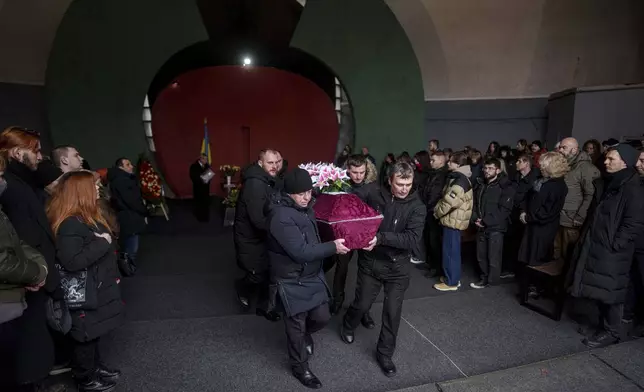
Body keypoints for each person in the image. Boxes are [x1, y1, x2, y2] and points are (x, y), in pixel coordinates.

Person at [340, 162, 426, 377]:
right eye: (400, 184)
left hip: (397, 267)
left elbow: (412, 239)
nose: (404, 188)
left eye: (408, 184)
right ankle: (348, 324)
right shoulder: (373, 194)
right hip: (371, 261)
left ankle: (384, 354)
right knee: (361, 304)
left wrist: (381, 238)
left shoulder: (418, 207)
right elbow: (356, 215)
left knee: (392, 313)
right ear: (390, 181)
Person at [266, 168, 349, 389]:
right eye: (300, 193)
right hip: (290, 280)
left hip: (310, 275)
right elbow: (300, 252)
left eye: (309, 192)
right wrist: (333, 247)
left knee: (321, 317)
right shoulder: (280, 216)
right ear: (289, 193)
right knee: (296, 325)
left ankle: (303, 337)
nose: (306, 197)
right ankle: (300, 367)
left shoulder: (305, 208)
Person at [0, 126, 66, 391]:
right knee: (28, 335)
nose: (40, 156)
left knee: (35, 333)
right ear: (17, 152)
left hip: (35, 270)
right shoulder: (12, 188)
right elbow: (15, 239)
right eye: (35, 151)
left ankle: (36, 380)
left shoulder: (23, 181)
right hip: (27, 277)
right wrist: (33, 272)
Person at [47, 171, 124, 391]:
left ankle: (95, 368)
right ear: (80, 192)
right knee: (85, 337)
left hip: (97, 288)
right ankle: (85, 379)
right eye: (94, 186)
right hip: (85, 293)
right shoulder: (70, 223)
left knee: (94, 332)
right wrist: (102, 243)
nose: (98, 188)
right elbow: (72, 261)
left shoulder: (87, 216)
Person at [570, 144, 644, 348]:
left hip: (612, 249)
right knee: (601, 289)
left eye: (611, 159)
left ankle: (612, 331)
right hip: (598, 243)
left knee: (612, 292)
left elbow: (633, 223)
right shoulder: (610, 182)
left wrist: (615, 244)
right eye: (606, 158)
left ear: (625, 162)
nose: (606, 162)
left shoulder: (632, 187)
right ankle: (601, 325)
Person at [323, 155, 376, 329]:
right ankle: (337, 300)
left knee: (366, 272)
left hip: (365, 233)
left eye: (362, 172)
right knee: (342, 267)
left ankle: (364, 310)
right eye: (355, 172)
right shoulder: (341, 185)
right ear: (348, 170)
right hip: (346, 232)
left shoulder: (372, 187)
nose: (358, 176)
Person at [234, 149, 282, 321]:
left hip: (263, 237)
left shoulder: (267, 179)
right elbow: (258, 220)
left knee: (270, 273)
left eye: (277, 162)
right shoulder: (255, 184)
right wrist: (282, 228)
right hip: (251, 238)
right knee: (256, 275)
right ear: (261, 163)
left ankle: (265, 308)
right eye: (270, 162)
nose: (275, 166)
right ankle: (241, 287)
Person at [470, 158, 515, 288]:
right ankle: (484, 279)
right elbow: (474, 204)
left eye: (490, 168)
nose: (487, 171)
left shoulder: (505, 186)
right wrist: (475, 219)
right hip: (480, 225)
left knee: (494, 258)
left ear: (498, 170)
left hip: (496, 227)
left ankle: (492, 284)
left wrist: (485, 221)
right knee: (481, 255)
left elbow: (504, 210)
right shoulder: (480, 184)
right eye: (485, 168)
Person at [517, 152, 569, 267]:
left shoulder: (558, 186)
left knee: (537, 261)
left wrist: (527, 217)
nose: (540, 167)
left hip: (542, 228)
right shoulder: (541, 180)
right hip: (532, 224)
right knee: (527, 258)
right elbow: (528, 197)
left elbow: (548, 212)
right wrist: (523, 211)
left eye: (543, 165)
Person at [433, 152, 473, 291]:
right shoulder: (457, 177)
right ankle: (451, 277)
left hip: (453, 221)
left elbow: (449, 202)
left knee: (451, 252)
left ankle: (452, 282)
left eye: (451, 162)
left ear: (458, 165)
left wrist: (436, 213)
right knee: (451, 251)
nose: (448, 163)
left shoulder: (460, 180)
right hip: (451, 220)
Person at [555, 138, 600, 262]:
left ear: (574, 149)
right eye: (560, 147)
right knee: (557, 254)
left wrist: (580, 216)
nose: (560, 150)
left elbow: (590, 195)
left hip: (572, 219)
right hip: (559, 216)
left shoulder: (586, 168)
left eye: (564, 147)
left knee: (568, 255)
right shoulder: (566, 164)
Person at [502, 154, 539, 278]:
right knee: (510, 243)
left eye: (519, 161)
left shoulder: (534, 179)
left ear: (526, 163)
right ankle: (510, 269)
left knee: (521, 244)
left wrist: (524, 210)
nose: (516, 163)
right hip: (512, 214)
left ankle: (520, 271)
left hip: (524, 215)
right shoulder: (516, 176)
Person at [108, 158, 147, 266]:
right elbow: (131, 200)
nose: (131, 166)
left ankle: (127, 265)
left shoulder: (120, 179)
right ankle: (128, 267)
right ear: (121, 167)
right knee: (131, 245)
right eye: (128, 164)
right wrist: (143, 210)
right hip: (129, 216)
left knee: (129, 242)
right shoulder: (122, 180)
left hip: (128, 215)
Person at [623, 148, 644, 336]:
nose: (638, 164)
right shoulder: (635, 183)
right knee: (630, 280)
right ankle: (627, 314)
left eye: (643, 161)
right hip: (634, 240)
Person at [420, 151, 449, 278]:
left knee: (434, 241)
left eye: (433, 160)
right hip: (428, 209)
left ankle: (436, 267)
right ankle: (431, 263)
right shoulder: (433, 173)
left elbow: (436, 194)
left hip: (434, 211)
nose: (430, 162)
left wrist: (429, 207)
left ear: (441, 162)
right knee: (428, 239)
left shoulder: (443, 175)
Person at [189, 154, 212, 222]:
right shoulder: (194, 166)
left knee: (206, 202)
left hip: (206, 188)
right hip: (198, 188)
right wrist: (201, 179)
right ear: (201, 159)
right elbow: (192, 176)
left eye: (206, 159)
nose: (206, 161)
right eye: (205, 159)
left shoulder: (207, 166)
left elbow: (209, 175)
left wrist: (208, 179)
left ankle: (206, 217)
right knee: (199, 202)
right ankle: (199, 217)